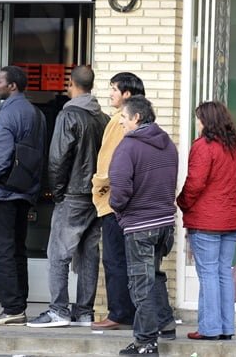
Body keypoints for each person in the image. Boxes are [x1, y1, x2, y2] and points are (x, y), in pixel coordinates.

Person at [27, 65, 108, 328]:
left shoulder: (69, 115)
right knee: (88, 254)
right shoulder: (103, 118)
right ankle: (84, 312)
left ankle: (58, 310)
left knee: (58, 254)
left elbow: (57, 158)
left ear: (71, 83)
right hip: (96, 195)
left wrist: (57, 192)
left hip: (73, 193)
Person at [0, 65, 47, 326]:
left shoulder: (8, 115)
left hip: (3, 193)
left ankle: (12, 308)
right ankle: (18, 305)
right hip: (24, 191)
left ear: (12, 86)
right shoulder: (36, 114)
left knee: (2, 249)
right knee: (17, 249)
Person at [110, 95, 178, 356]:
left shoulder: (128, 147)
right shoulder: (168, 144)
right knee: (153, 276)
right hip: (164, 225)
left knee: (141, 285)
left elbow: (120, 188)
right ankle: (166, 323)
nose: (121, 124)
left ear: (136, 118)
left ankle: (146, 343)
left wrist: (118, 208)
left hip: (140, 225)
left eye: (123, 118)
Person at [177, 101, 236, 341]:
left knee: (208, 274)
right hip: (232, 220)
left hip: (206, 220)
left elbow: (195, 183)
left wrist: (183, 203)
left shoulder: (203, 146)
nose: (197, 123)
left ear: (206, 121)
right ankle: (226, 327)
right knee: (223, 273)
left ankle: (209, 328)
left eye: (198, 119)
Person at [90, 72, 144, 331]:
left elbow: (108, 163)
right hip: (133, 203)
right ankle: (129, 311)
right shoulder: (145, 125)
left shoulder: (117, 122)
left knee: (114, 259)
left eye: (114, 89)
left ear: (127, 95)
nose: (109, 93)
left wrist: (98, 189)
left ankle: (118, 312)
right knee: (131, 260)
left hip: (114, 202)